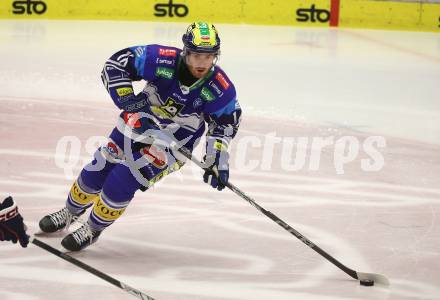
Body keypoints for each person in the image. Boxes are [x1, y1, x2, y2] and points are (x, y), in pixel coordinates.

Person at [38, 21, 242, 251]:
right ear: (185, 52)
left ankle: (93, 229)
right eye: (196, 55)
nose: (203, 63)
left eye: (209, 56)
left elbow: (224, 123)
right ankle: (70, 212)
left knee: (123, 178)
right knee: (99, 167)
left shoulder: (220, 88)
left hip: (174, 144)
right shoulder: (162, 58)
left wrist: (217, 158)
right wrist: (127, 98)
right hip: (138, 124)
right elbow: (116, 64)